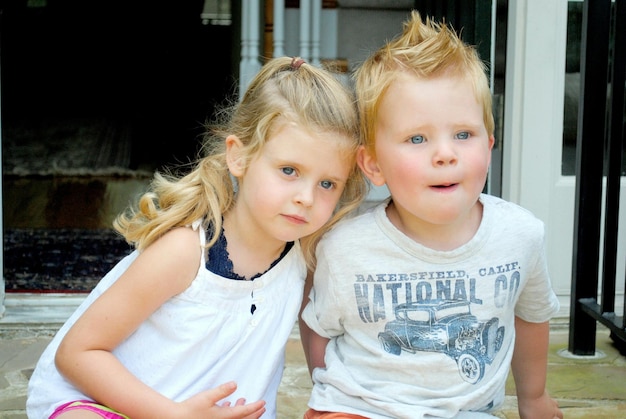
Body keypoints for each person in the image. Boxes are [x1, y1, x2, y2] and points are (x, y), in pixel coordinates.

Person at [26, 56, 367, 419]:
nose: (306, 197)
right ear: (239, 156)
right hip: (108, 404)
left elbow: (323, 351)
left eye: (327, 183)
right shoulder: (186, 251)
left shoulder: (307, 257)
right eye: (289, 170)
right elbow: (77, 354)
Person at [299, 11, 563, 419]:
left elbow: (530, 317)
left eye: (463, 134)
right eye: (417, 138)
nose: (445, 153)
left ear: (489, 145)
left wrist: (534, 397)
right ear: (373, 165)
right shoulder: (346, 246)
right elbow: (319, 326)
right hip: (363, 407)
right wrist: (329, 391)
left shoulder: (520, 235)